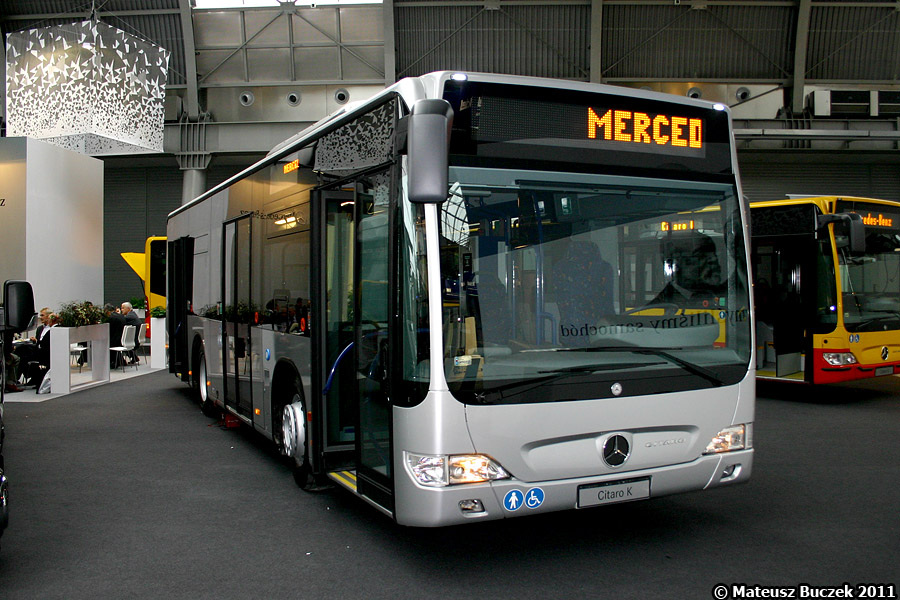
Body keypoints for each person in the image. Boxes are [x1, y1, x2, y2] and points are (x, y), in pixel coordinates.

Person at [650, 233, 724, 308]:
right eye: (701, 255)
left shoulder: (726, 296)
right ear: (675, 264)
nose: (714, 260)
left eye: (715, 254)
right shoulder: (657, 308)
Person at [105, 303, 127, 368]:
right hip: (121, 339)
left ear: (107, 311)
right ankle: (120, 360)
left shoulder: (111, 318)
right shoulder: (121, 316)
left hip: (114, 340)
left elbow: (108, 330)